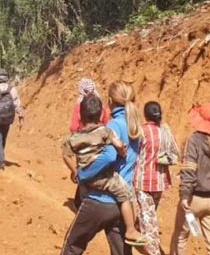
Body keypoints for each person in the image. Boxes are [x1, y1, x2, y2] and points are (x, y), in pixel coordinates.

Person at [60, 81, 143, 255]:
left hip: (100, 200)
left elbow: (109, 156)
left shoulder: (112, 126)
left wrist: (82, 173)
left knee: (72, 246)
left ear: (110, 102)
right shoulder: (134, 125)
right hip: (123, 202)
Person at [170, 103, 210, 255]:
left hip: (194, 199)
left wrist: (184, 195)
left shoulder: (194, 140)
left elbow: (189, 169)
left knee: (181, 237)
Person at [134, 101, 181, 255]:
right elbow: (176, 151)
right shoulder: (165, 130)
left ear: (145, 115)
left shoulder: (141, 131)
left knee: (149, 220)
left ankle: (153, 251)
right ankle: (134, 230)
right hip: (160, 181)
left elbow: (132, 153)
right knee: (149, 213)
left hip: (143, 180)